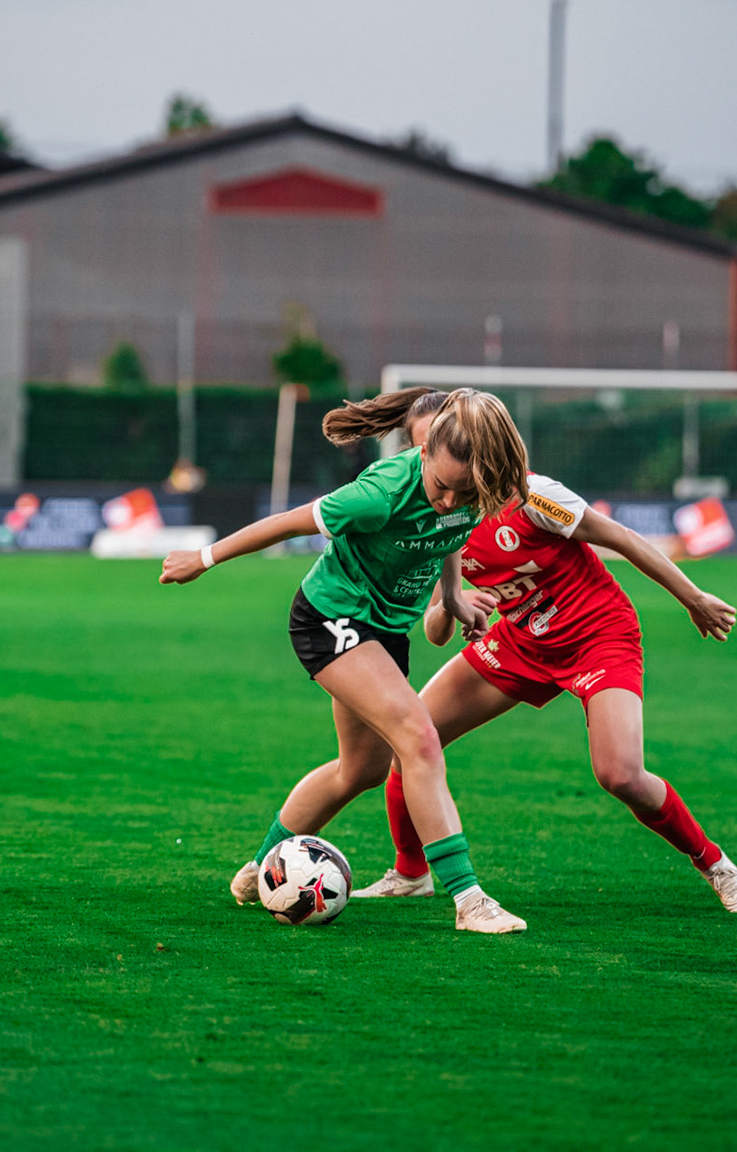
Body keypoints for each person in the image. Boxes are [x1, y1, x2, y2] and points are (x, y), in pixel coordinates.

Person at [351, 394, 737, 913]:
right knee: (412, 737)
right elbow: (435, 629)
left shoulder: (534, 497)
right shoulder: (430, 513)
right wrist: (455, 606)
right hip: (520, 641)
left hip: (597, 634)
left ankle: (715, 864)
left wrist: (693, 598)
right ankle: (411, 873)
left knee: (620, 774)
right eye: (423, 451)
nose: (433, 468)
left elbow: (622, 538)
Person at [159, 386, 531, 934]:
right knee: (419, 738)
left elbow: (449, 531)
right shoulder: (378, 494)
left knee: (360, 771)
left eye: (464, 491)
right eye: (441, 487)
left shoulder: (477, 484)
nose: (451, 501)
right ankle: (469, 900)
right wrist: (204, 557)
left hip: (385, 631)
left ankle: (263, 867)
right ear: (423, 453)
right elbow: (289, 521)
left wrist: (451, 597)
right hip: (331, 616)